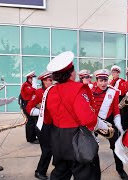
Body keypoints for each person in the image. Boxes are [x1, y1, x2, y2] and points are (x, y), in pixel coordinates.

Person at [37, 51, 106, 180]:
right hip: (77, 140)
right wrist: (104, 126)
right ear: (71, 72)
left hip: (58, 140)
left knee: (60, 173)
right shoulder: (78, 88)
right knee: (88, 173)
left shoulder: (49, 91)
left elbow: (46, 120)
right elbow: (88, 119)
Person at [92, 69, 128, 180]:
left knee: (116, 146)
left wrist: (118, 124)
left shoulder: (113, 91)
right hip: (93, 122)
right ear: (97, 81)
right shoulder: (90, 90)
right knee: (92, 147)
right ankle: (94, 171)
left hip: (108, 121)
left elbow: (116, 110)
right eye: (101, 80)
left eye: (105, 80)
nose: (103, 83)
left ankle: (120, 169)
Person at [26, 71, 53, 180]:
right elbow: (29, 109)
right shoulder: (38, 92)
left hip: (53, 125)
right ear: (44, 81)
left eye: (52, 80)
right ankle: (39, 171)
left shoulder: (53, 91)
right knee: (47, 150)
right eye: (50, 80)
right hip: (43, 126)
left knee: (54, 149)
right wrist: (43, 111)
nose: (52, 82)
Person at [20, 71, 38, 144]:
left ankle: (33, 137)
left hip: (31, 104)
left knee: (33, 122)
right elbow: (32, 92)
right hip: (27, 104)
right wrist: (34, 85)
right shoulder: (26, 85)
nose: (33, 80)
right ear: (29, 79)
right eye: (32, 78)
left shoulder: (30, 84)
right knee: (30, 122)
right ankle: (31, 139)